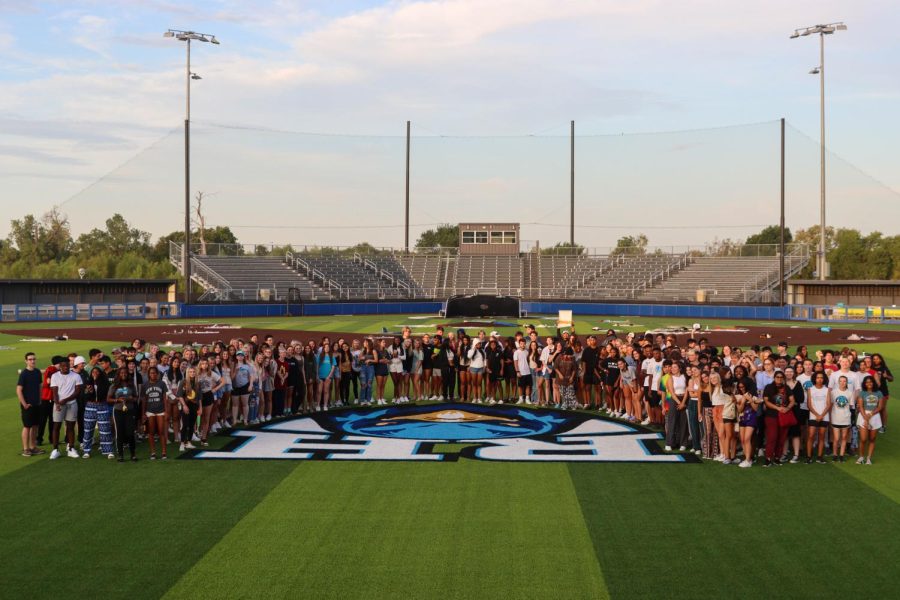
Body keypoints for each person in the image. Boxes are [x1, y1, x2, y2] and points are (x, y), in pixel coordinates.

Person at [49, 357, 84, 460]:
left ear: (70, 366)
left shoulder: (76, 376)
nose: (65, 367)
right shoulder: (55, 376)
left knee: (70, 426)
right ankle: (55, 450)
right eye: (63, 366)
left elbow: (77, 391)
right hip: (58, 404)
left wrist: (66, 399)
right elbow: (54, 391)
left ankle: (71, 448)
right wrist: (58, 403)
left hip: (72, 404)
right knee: (56, 426)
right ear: (60, 366)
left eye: (67, 366)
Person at [81, 365, 114, 459]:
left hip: (102, 406)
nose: (95, 374)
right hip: (90, 407)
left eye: (97, 372)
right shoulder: (88, 383)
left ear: (100, 373)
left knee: (105, 430)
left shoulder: (105, 383)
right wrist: (90, 389)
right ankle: (86, 450)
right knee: (88, 429)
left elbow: (102, 395)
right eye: (93, 372)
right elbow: (86, 396)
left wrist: (96, 383)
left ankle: (108, 451)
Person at [107, 366, 138, 462]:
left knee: (130, 433)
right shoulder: (114, 385)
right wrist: (117, 400)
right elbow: (108, 399)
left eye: (125, 373)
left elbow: (136, 398)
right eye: (121, 373)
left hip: (129, 411)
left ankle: (133, 454)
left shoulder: (131, 385)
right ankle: (120, 455)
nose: (123, 374)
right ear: (118, 375)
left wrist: (129, 399)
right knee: (119, 433)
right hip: (118, 411)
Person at [17, 352, 44, 456]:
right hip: (28, 405)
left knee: (35, 426)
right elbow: (19, 390)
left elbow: (40, 386)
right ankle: (25, 448)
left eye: (34, 359)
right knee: (27, 426)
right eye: (30, 359)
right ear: (26, 361)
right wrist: (24, 404)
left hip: (37, 404)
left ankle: (33, 447)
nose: (32, 361)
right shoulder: (24, 374)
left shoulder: (37, 372)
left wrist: (40, 400)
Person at [856, 375, 884, 464]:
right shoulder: (862, 393)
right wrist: (866, 418)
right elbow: (860, 406)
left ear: (873, 383)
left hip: (875, 416)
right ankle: (861, 457)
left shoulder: (878, 393)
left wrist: (870, 414)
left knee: (872, 439)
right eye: (867, 382)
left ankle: (869, 458)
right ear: (864, 384)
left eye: (871, 382)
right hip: (863, 415)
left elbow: (880, 406)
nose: (869, 383)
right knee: (863, 439)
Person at [806, 372, 831, 464]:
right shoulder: (810, 389)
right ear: (814, 379)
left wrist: (821, 415)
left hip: (824, 417)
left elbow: (828, 404)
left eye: (821, 378)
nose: (819, 379)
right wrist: (817, 415)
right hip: (813, 416)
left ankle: (819, 457)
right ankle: (809, 457)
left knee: (821, 437)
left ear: (824, 379)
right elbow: (809, 404)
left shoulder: (827, 390)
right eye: (817, 378)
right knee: (811, 436)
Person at [664, 361, 689, 452]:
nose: (672, 369)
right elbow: (671, 392)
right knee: (672, 422)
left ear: (679, 368)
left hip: (684, 399)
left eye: (675, 367)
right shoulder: (670, 378)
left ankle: (683, 443)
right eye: (672, 367)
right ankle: (669, 443)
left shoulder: (684, 377)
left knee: (683, 423)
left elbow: (687, 389)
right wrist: (679, 403)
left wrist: (683, 402)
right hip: (674, 400)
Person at [176, 366, 201, 452]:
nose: (192, 373)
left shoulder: (197, 383)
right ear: (187, 373)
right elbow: (179, 395)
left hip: (194, 406)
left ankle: (189, 442)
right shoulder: (183, 382)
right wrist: (184, 406)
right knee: (185, 425)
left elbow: (199, 397)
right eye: (190, 372)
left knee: (191, 425)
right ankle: (182, 443)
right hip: (186, 406)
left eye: (194, 372)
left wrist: (200, 408)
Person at [736, 380, 760, 468]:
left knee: (747, 439)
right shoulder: (739, 396)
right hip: (742, 418)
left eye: (743, 387)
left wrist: (750, 399)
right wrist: (742, 401)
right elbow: (739, 410)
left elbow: (756, 409)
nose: (741, 389)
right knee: (742, 439)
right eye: (740, 387)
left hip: (751, 418)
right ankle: (747, 458)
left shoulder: (754, 395)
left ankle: (748, 460)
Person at [830, 375, 853, 463]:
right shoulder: (833, 392)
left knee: (844, 438)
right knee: (836, 438)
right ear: (838, 382)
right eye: (841, 381)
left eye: (844, 381)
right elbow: (831, 405)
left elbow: (851, 406)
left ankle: (842, 455)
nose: (842, 383)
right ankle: (835, 455)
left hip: (846, 418)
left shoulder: (850, 393)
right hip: (836, 418)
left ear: (847, 382)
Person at [513, 339, 532, 404]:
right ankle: (520, 399)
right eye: (521, 343)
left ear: (525, 344)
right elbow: (515, 362)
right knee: (520, 386)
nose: (523, 345)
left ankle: (527, 399)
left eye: (524, 343)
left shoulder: (527, 352)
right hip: (520, 372)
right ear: (519, 344)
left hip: (528, 372)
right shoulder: (516, 352)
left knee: (528, 386)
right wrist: (517, 371)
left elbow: (528, 361)